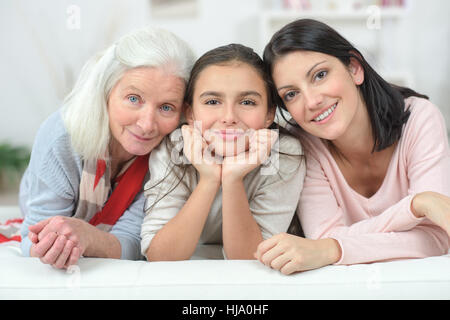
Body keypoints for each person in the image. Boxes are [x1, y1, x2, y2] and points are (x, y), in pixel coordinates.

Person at [255, 19, 450, 274]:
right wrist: (417, 206)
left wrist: (332, 249)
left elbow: (438, 239)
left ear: (354, 69)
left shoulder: (420, 118)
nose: (312, 101)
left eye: (320, 75)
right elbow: (324, 236)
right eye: (291, 94)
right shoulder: (302, 145)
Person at [19, 26, 195, 269]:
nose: (146, 125)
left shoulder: (171, 152)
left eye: (166, 107)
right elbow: (32, 240)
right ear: (106, 92)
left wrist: (88, 237)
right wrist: (56, 241)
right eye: (134, 98)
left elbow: (135, 243)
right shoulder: (61, 137)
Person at [140, 44, 305, 261]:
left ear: (268, 114)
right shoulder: (174, 148)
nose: (228, 117)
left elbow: (249, 260)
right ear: (190, 113)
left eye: (247, 102)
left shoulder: (283, 153)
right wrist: (208, 179)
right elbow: (160, 257)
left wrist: (233, 179)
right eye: (212, 102)